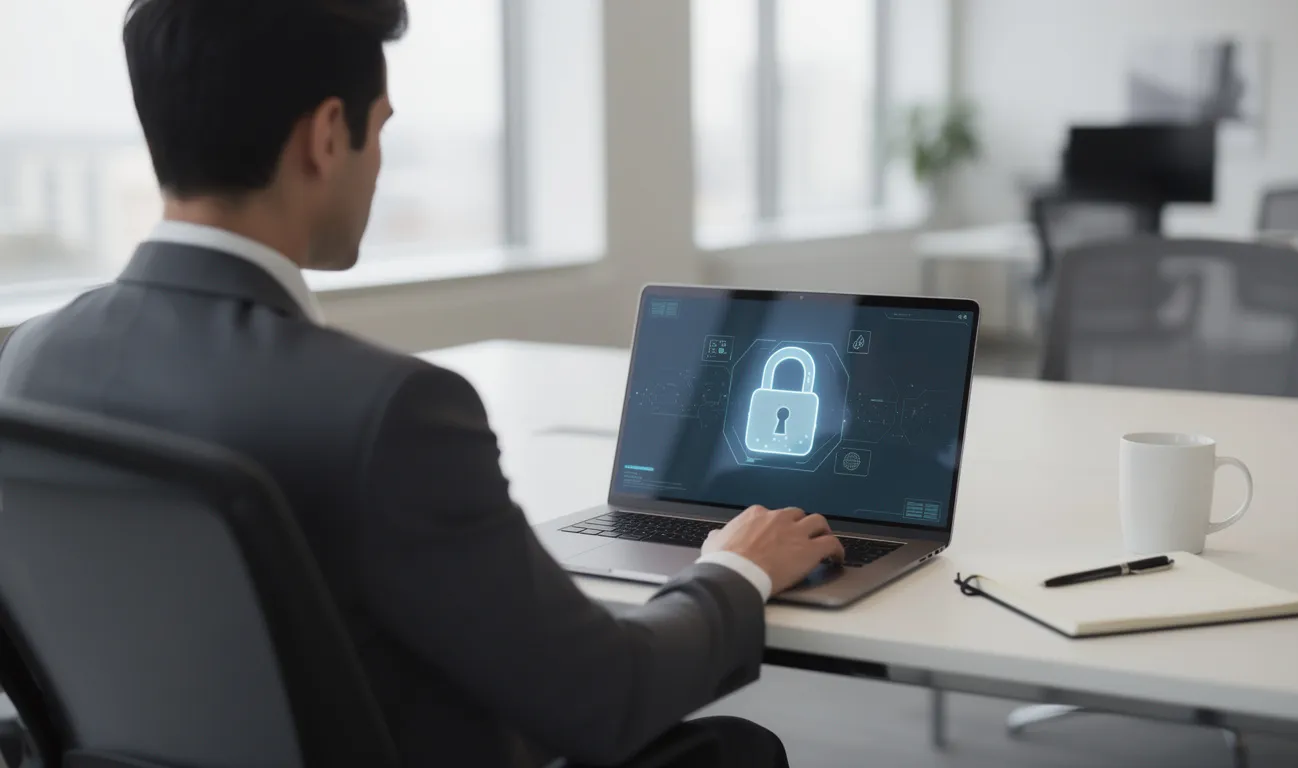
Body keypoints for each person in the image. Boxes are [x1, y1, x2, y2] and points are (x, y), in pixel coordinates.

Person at [0, 2, 845, 766]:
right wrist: (734, 571)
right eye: (382, 129)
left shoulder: (30, 362)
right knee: (731, 752)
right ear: (327, 136)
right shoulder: (391, 409)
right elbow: (608, 697)